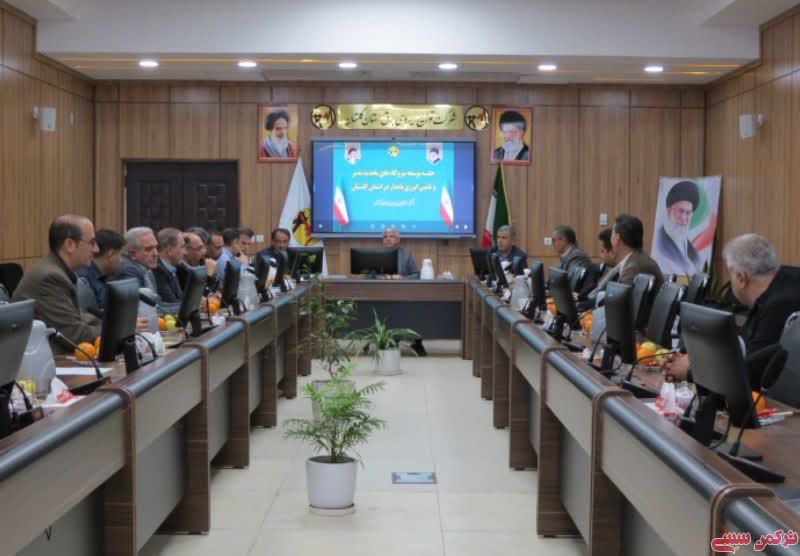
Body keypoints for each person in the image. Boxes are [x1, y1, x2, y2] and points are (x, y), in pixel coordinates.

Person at [664, 234, 800, 390]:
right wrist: (698, 359)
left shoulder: (779, 306)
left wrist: (691, 371)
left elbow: (754, 374)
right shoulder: (785, 282)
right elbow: (746, 350)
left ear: (741, 278)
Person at [12, 215, 102, 353]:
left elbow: (76, 317)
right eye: (92, 242)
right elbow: (76, 336)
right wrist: (117, 330)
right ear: (69, 245)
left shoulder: (57, 270)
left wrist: (112, 322)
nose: (96, 249)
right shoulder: (50, 277)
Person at [654, 180, 702, 275]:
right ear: (669, 211)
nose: (684, 218)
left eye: (688, 213)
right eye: (680, 211)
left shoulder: (690, 248)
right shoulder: (660, 245)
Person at [75, 228, 126, 311]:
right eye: (120, 255)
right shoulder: (83, 279)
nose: (121, 260)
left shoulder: (107, 276)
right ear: (111, 254)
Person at [612, 214, 664, 290]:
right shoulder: (637, 259)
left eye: (612, 234)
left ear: (617, 238)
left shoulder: (633, 268)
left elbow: (618, 297)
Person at [577, 229, 620, 311]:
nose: (600, 256)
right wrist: (579, 298)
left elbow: (601, 301)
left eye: (602, 251)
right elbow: (594, 290)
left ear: (612, 252)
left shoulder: (620, 274)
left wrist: (579, 305)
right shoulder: (605, 269)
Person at [153, 228, 186, 304]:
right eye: (182, 247)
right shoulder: (157, 271)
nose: (185, 252)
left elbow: (180, 298)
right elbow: (172, 303)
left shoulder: (173, 267)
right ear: (170, 250)